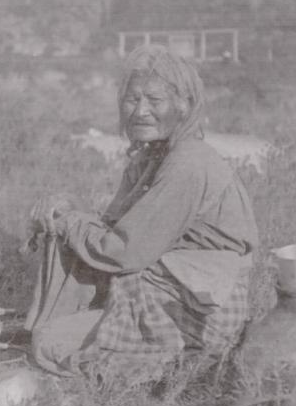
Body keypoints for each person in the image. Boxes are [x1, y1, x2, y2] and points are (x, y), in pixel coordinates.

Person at [26, 45, 259, 377]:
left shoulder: (189, 164)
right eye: (132, 99)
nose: (140, 111)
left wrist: (70, 223)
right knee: (66, 245)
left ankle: (188, 365)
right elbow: (115, 225)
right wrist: (69, 210)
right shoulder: (152, 157)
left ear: (184, 106)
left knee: (49, 344)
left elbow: (123, 250)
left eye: (155, 100)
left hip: (198, 310)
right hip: (166, 288)